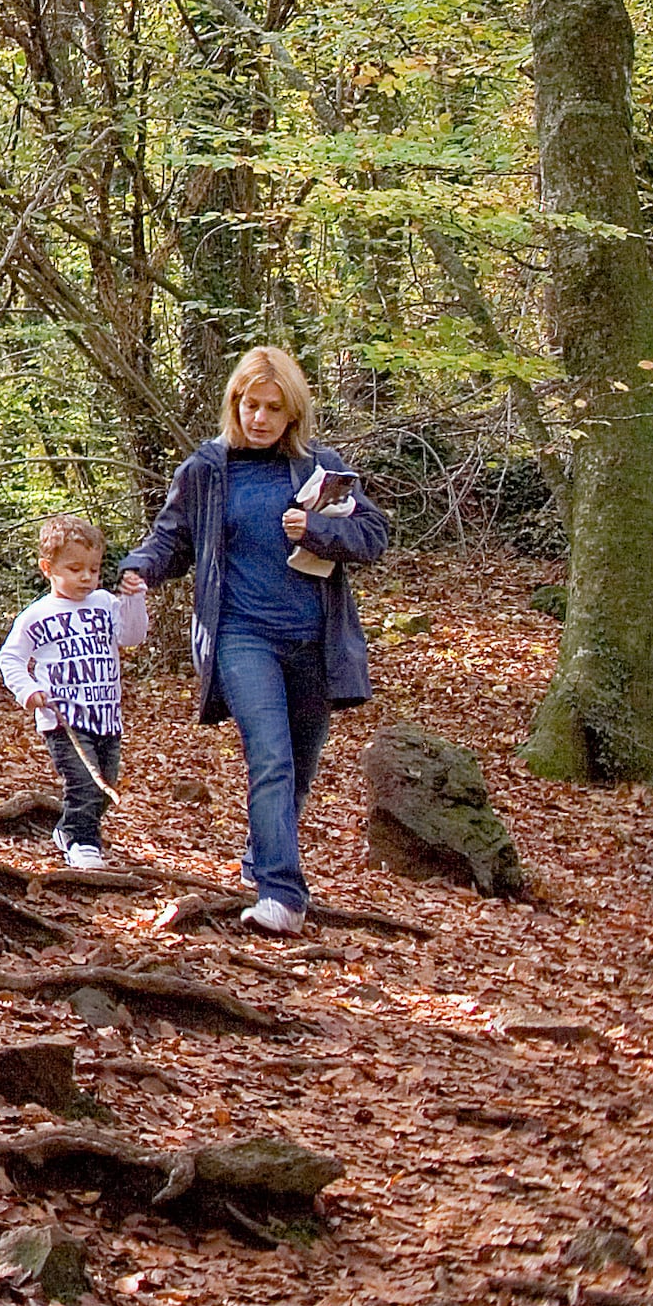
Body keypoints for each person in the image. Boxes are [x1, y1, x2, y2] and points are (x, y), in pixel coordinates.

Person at [124, 344, 391, 933]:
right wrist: (139, 566)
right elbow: (170, 540)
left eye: (274, 408)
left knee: (297, 764)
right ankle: (282, 896)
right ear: (234, 404)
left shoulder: (319, 468)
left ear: (292, 414)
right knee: (268, 758)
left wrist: (319, 529)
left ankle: (260, 857)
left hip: (314, 643)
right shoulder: (207, 470)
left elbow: (374, 536)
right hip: (241, 635)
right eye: (251, 405)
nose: (261, 418)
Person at [0, 510, 149, 871]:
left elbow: (131, 637)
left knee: (105, 783)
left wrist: (133, 599)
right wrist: (28, 691)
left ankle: (68, 829)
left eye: (93, 569)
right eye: (75, 569)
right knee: (84, 783)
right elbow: (11, 657)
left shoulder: (105, 604)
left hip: (106, 716)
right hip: (64, 720)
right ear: (48, 568)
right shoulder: (38, 615)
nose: (86, 577)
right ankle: (83, 842)